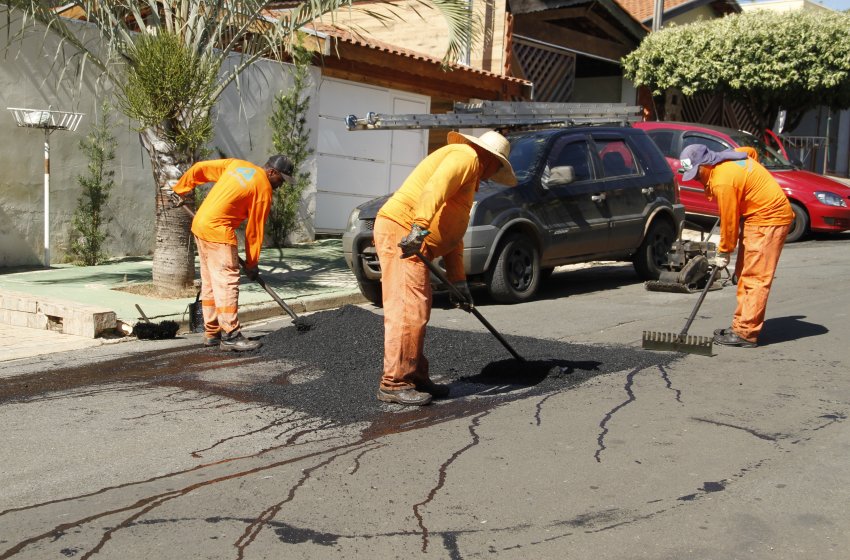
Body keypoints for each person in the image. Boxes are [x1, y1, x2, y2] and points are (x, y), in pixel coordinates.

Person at [374, 130, 517, 406]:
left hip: (413, 236)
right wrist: (418, 227)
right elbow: (434, 188)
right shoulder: (466, 156)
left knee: (419, 308)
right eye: (497, 168)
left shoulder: (470, 172)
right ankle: (394, 382)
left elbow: (453, 234)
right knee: (407, 309)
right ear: (491, 159)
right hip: (403, 231)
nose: (491, 176)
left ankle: (414, 374)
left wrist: (459, 283)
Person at [171, 155, 294, 351]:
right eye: (281, 180)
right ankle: (230, 335)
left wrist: (181, 189)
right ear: (271, 172)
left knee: (211, 282)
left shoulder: (238, 165)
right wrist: (252, 265)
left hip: (201, 225)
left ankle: (212, 332)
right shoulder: (263, 188)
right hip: (219, 231)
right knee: (227, 282)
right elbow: (254, 232)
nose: (280, 185)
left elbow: (200, 168)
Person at [678, 144, 793, 348]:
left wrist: (724, 252)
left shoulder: (724, 181)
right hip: (756, 216)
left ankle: (745, 332)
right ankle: (741, 323)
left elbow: (729, 223)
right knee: (743, 273)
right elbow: (751, 152)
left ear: (706, 164)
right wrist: (750, 187)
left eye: (697, 173)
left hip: (769, 219)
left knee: (755, 277)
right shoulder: (729, 157)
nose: (696, 179)